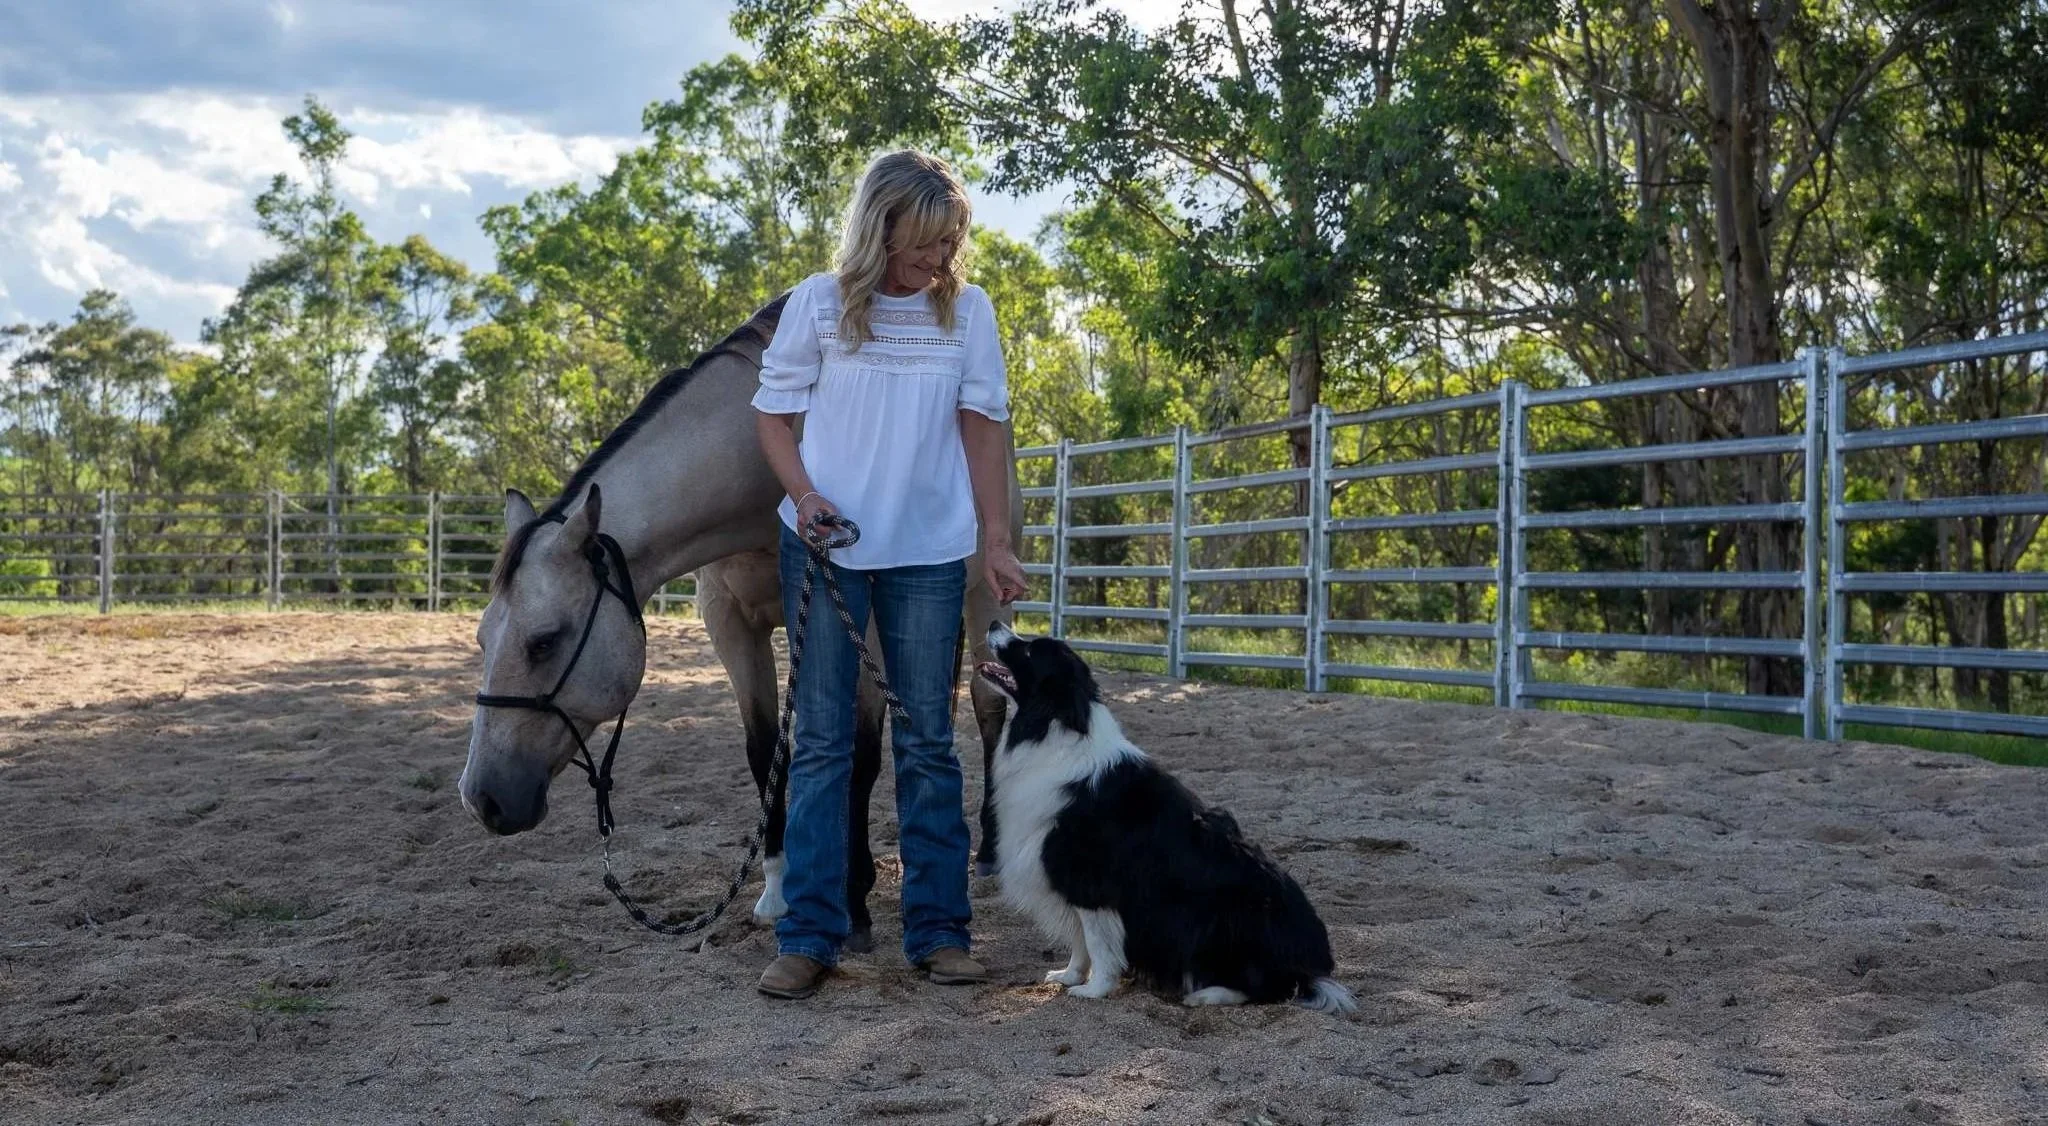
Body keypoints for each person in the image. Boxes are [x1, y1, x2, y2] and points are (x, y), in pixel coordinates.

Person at [750, 150, 1028, 1000]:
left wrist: (996, 539)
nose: (941, 259)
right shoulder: (818, 303)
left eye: (950, 242)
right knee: (824, 741)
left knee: (928, 742)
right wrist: (805, 497)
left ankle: (939, 931)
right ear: (881, 230)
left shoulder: (968, 313)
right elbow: (773, 417)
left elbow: (983, 426)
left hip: (930, 551)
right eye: (926, 242)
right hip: (825, 549)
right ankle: (809, 934)